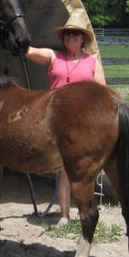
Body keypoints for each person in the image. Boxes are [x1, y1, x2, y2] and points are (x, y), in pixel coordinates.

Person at [25, 22, 106, 226]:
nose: (71, 36)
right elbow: (29, 51)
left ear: (83, 39)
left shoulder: (92, 62)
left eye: (76, 34)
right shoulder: (54, 57)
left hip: (84, 123)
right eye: (68, 34)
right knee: (63, 170)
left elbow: (102, 91)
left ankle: (85, 211)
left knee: (84, 169)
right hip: (58, 123)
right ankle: (64, 215)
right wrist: (18, 43)